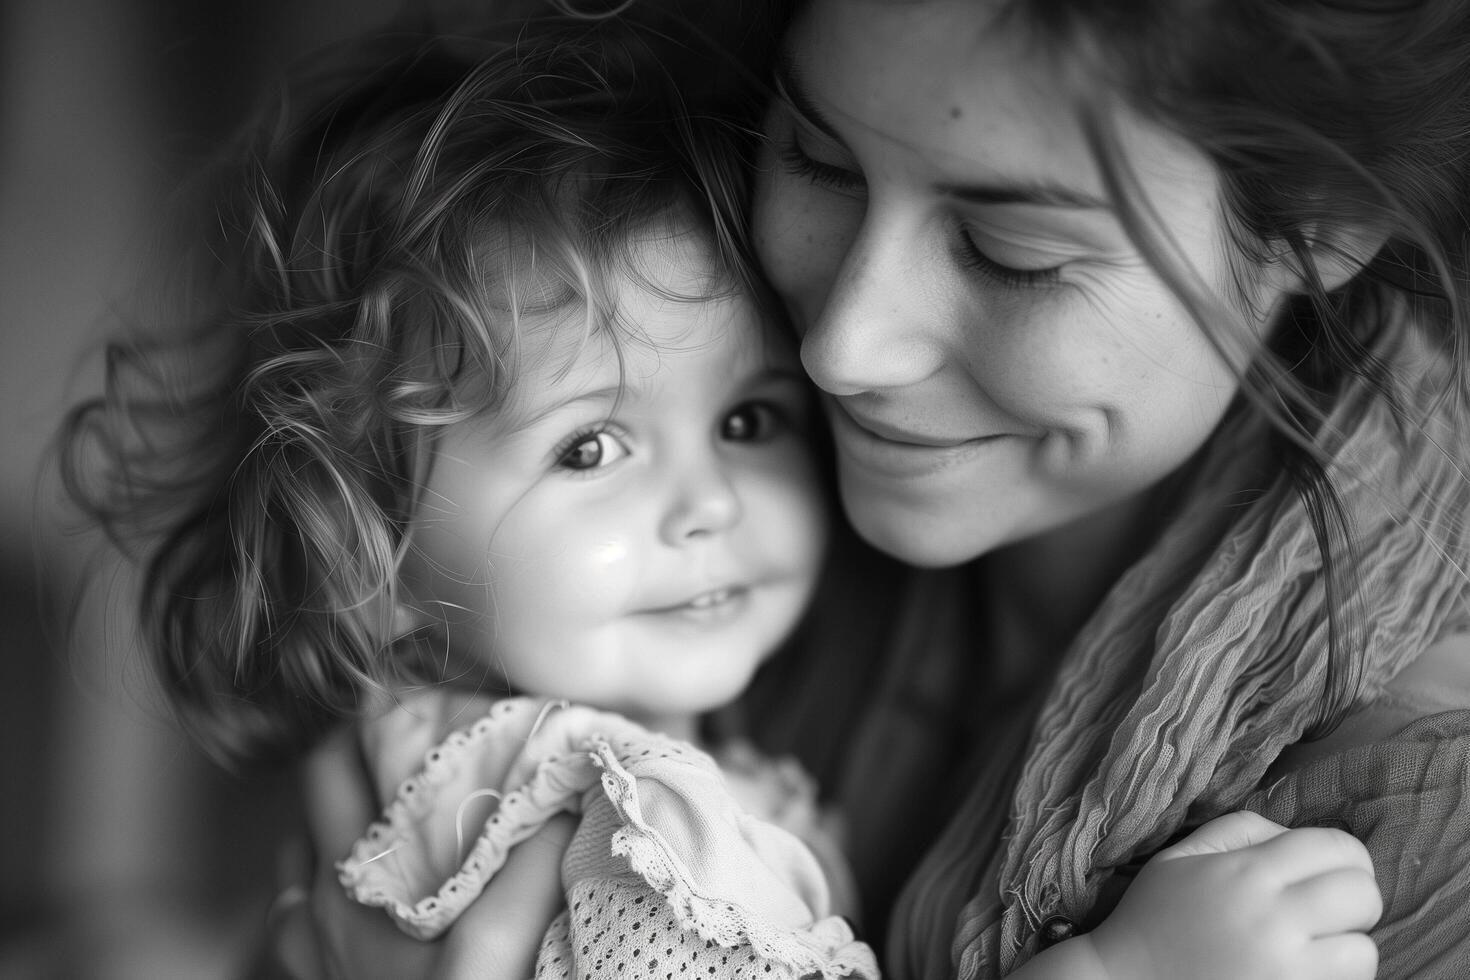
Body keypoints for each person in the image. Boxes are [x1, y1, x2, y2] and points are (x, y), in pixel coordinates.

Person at [65, 0, 1417, 978]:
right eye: (589, 448)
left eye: (747, 416)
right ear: (366, 540)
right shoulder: (598, 811)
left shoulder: (612, 784)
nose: (842, 350)